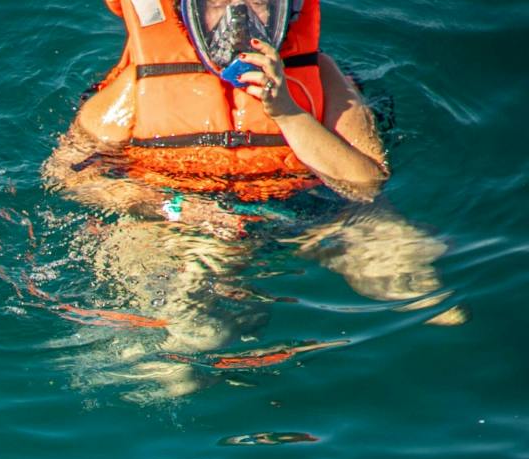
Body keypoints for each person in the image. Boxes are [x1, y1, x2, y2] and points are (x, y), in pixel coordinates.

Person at [43, 0, 458, 393]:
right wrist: (172, 208)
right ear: (188, 13)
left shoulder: (321, 76)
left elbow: (365, 184)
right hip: (179, 222)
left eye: (259, 5)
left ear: (287, 11)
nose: (239, 22)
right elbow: (67, 176)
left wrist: (286, 111)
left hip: (302, 210)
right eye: (218, 6)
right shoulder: (137, 88)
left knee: (409, 270)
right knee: (193, 335)